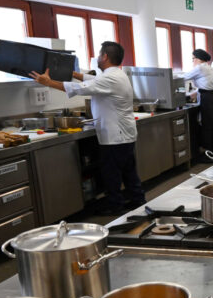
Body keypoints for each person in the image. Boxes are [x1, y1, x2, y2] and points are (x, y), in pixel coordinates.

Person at [30, 41, 145, 214]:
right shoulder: (115, 74)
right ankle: (138, 201)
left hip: (115, 135)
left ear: (105, 56)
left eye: (99, 54)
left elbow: (80, 88)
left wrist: (48, 82)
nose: (98, 57)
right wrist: (71, 72)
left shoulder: (110, 78)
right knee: (128, 171)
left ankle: (116, 207)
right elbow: (92, 80)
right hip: (123, 133)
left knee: (111, 173)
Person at [183, 49, 213, 152]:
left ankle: (206, 150)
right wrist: (194, 93)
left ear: (198, 59)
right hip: (212, 97)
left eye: (193, 59)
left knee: (206, 124)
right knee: (211, 124)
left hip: (207, 98)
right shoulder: (208, 67)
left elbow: (183, 77)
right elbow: (204, 85)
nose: (193, 61)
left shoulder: (200, 68)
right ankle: (212, 149)